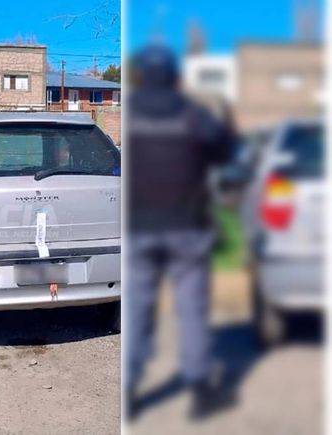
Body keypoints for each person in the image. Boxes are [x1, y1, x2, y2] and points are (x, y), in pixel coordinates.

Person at [125, 44, 236, 421]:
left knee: (137, 310)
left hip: (139, 228)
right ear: (175, 77)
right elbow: (227, 152)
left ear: (141, 76)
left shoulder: (130, 115)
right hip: (188, 227)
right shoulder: (195, 115)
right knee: (192, 309)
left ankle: (130, 390)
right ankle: (201, 392)